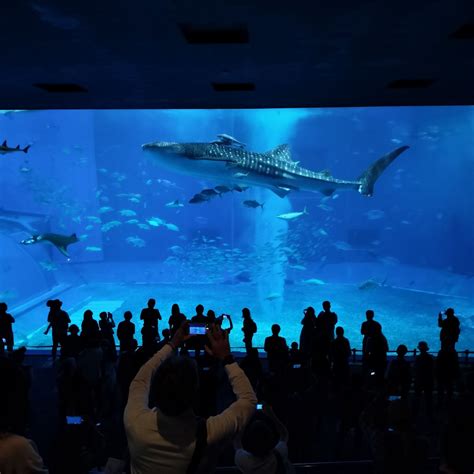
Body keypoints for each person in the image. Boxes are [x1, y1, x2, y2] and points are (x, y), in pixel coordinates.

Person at [124, 322, 257, 474]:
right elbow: (249, 400)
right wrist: (226, 358)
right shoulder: (209, 432)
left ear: (154, 391)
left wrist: (172, 344)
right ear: (195, 395)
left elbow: (141, 379)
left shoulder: (134, 420)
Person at [234, 404, 295, 473]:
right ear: (270, 439)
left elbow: (237, 441)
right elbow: (284, 434)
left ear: (249, 441)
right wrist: (271, 415)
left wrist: (245, 417)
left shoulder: (243, 460)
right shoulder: (278, 454)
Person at [413, 341, 434, 416]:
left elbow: (415, 369)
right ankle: (429, 413)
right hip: (428, 380)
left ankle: (416, 413)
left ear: (419, 349)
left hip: (419, 380)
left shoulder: (418, 358)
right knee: (428, 397)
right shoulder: (430, 357)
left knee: (417, 396)